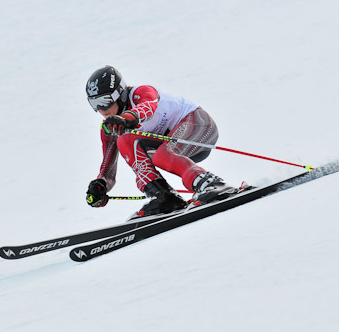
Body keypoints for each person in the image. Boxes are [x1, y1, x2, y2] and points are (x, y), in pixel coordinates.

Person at [85, 65, 237, 218]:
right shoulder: (110, 126)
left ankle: (212, 184)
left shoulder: (140, 92)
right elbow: (107, 170)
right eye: (94, 104)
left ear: (120, 94)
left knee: (161, 155)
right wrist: (101, 186)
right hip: (173, 147)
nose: (101, 110)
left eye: (105, 101)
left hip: (199, 126)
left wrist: (126, 119)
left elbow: (148, 107)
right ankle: (165, 197)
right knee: (124, 141)